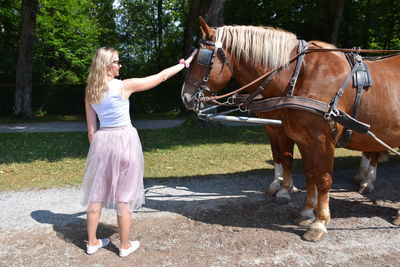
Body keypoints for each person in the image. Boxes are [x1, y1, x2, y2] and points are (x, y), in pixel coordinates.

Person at [81, 47, 194, 257]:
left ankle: (92, 242)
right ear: (108, 65)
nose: (119, 66)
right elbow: (161, 77)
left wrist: (98, 151)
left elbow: (91, 130)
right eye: (117, 62)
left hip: (102, 141)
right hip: (125, 140)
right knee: (124, 196)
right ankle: (124, 246)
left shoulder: (90, 91)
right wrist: (184, 64)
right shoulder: (124, 86)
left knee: (96, 195)